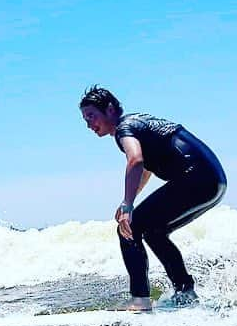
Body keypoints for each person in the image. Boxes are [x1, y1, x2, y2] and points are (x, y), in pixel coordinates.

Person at [79, 86, 226, 311]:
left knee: (129, 228)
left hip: (195, 179)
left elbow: (136, 160)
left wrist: (128, 206)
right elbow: (145, 168)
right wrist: (129, 199)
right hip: (213, 181)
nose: (88, 124)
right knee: (153, 231)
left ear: (109, 109)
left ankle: (140, 300)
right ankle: (185, 292)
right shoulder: (137, 123)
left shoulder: (124, 129)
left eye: (91, 116)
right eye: (85, 119)